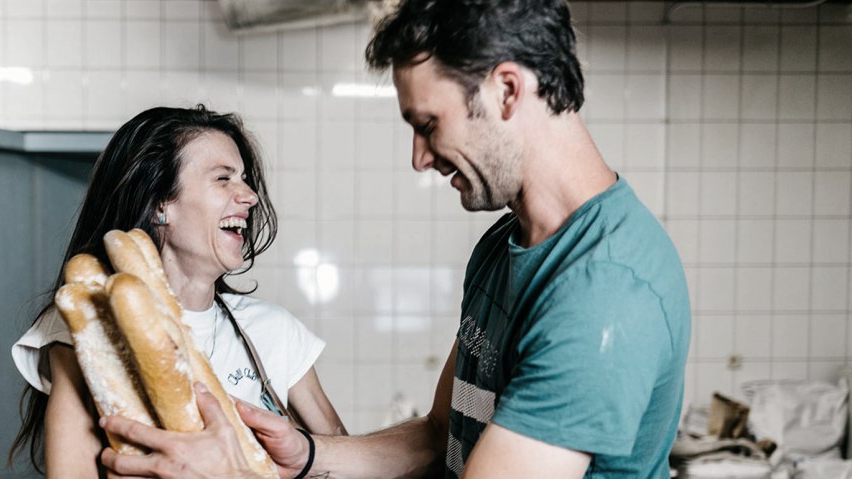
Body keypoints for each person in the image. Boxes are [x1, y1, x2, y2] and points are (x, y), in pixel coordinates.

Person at [97, 0, 692, 477]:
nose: (419, 158)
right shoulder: (504, 246)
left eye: (428, 125)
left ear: (508, 91)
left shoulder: (603, 289)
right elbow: (439, 435)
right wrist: (306, 456)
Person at [8, 106, 347, 477]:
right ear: (159, 205)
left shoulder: (273, 330)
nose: (250, 196)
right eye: (223, 178)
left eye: (244, 179)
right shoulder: (92, 321)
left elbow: (341, 462)